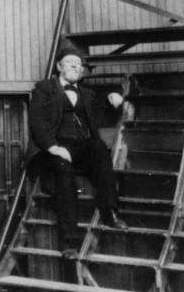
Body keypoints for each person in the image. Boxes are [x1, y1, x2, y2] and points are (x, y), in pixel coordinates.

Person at [24, 49, 127, 259]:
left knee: (99, 149)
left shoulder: (86, 94)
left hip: (80, 147)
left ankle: (110, 212)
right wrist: (54, 148)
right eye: (69, 62)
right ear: (59, 67)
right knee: (63, 169)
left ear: (81, 71)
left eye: (77, 64)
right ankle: (69, 242)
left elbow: (104, 112)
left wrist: (114, 99)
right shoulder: (44, 89)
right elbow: (37, 123)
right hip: (51, 149)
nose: (74, 66)